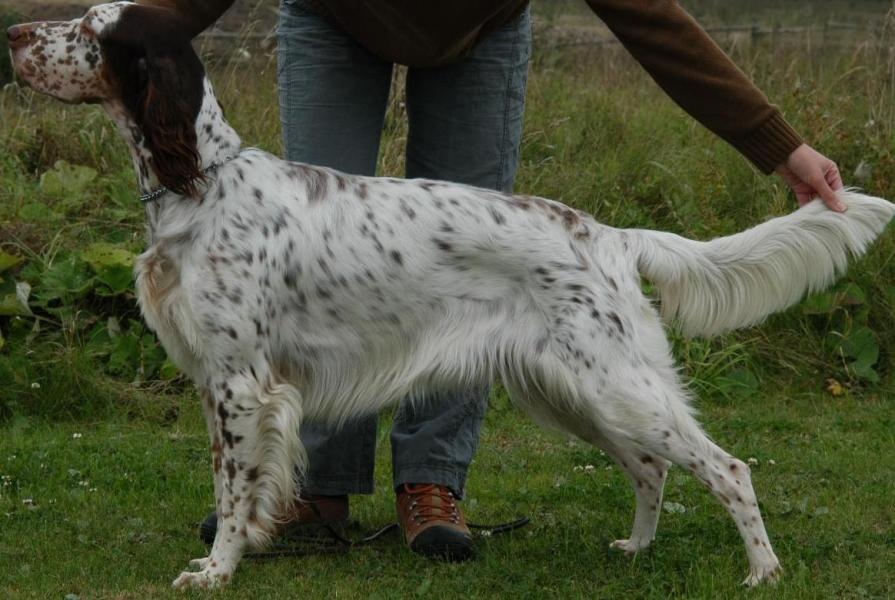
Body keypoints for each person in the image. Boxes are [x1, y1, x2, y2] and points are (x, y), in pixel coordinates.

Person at [201, 0, 844, 561]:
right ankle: (311, 491)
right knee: (314, 268)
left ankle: (432, 482)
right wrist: (130, 35)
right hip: (335, 14)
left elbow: (645, 12)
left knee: (475, 282)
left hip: (482, 27)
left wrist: (778, 145)